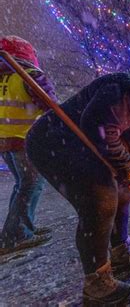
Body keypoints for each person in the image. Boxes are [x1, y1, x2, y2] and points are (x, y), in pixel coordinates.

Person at [26, 68, 130, 304]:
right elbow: (98, 126)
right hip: (57, 141)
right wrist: (125, 165)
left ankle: (121, 252)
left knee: (122, 193)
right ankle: (97, 282)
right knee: (100, 199)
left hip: (92, 152)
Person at [0, 36, 57, 254]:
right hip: (26, 140)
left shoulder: (3, 78)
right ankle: (18, 234)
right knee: (31, 185)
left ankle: (15, 229)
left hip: (5, 141)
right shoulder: (28, 76)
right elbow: (50, 104)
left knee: (22, 184)